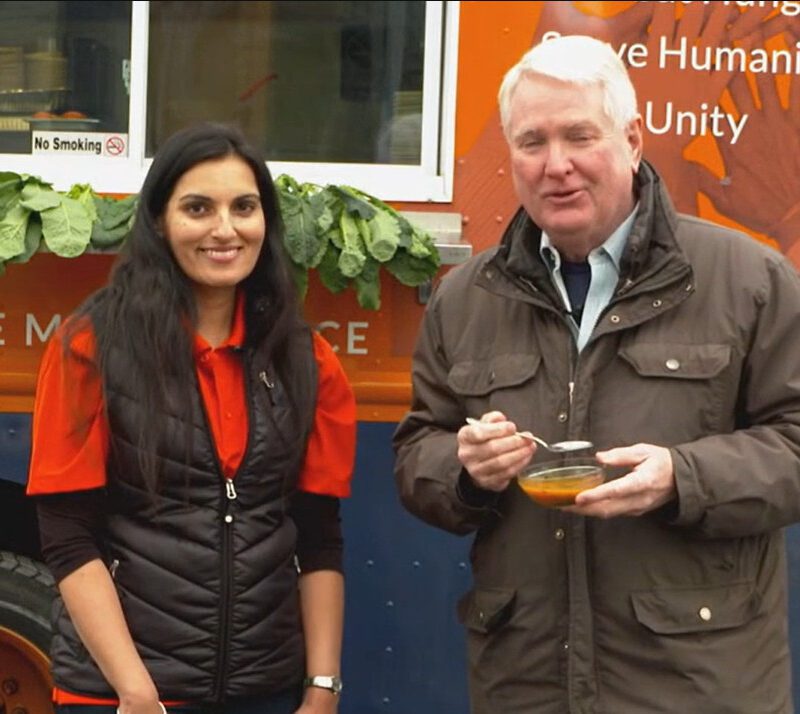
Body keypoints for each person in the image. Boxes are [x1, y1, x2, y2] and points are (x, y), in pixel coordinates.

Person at [393, 34, 800, 714]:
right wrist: (464, 468)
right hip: (527, 685)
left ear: (633, 140)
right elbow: (416, 454)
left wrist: (683, 476)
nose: (557, 166)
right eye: (532, 142)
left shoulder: (748, 279)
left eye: (580, 136)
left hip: (695, 687)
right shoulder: (466, 297)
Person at [27, 122, 356, 714]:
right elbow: (68, 537)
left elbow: (319, 534)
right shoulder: (89, 348)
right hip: (123, 697)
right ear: (159, 220)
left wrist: (321, 687)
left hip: (266, 691)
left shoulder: (308, 361)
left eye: (244, 207)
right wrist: (136, 692)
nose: (225, 230)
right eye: (198, 208)